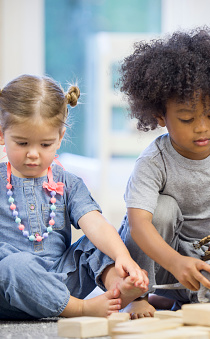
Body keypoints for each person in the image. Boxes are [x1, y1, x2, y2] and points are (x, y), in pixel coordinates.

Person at [117, 26, 210, 318]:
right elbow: (139, 224)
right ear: (160, 116)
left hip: (202, 262)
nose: (202, 128)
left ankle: (176, 299)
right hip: (159, 262)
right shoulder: (154, 162)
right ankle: (140, 294)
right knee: (163, 209)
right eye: (186, 118)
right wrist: (175, 263)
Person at [0, 74, 149, 320]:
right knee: (13, 264)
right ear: (2, 134)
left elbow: (96, 223)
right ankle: (82, 309)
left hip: (63, 280)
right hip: (10, 289)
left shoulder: (68, 182)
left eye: (45, 144)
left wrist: (122, 256)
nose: (33, 154)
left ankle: (119, 291)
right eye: (23, 143)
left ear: (60, 137)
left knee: (100, 240)